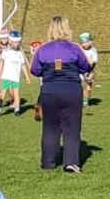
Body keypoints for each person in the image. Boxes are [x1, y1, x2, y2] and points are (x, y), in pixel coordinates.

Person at [30, 16, 91, 173]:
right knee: (71, 128)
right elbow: (86, 66)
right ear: (67, 30)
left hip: (49, 91)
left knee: (50, 128)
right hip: (71, 91)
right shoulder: (74, 48)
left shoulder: (42, 49)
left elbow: (35, 70)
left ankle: (47, 162)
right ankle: (71, 162)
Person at [0, 30, 31, 116]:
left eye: (18, 42)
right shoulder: (5, 52)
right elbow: (2, 64)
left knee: (16, 93)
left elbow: (23, 66)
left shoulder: (20, 54)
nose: (17, 44)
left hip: (15, 78)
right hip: (6, 77)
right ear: (10, 41)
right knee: (2, 94)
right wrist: (0, 74)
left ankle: (17, 109)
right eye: (15, 42)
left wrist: (27, 77)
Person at [78, 32, 99, 108]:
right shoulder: (79, 50)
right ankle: (79, 100)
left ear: (90, 42)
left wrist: (90, 71)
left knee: (88, 87)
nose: (85, 44)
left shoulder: (93, 50)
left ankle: (85, 100)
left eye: (86, 42)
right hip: (79, 71)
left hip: (89, 71)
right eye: (83, 43)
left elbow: (94, 62)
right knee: (78, 86)